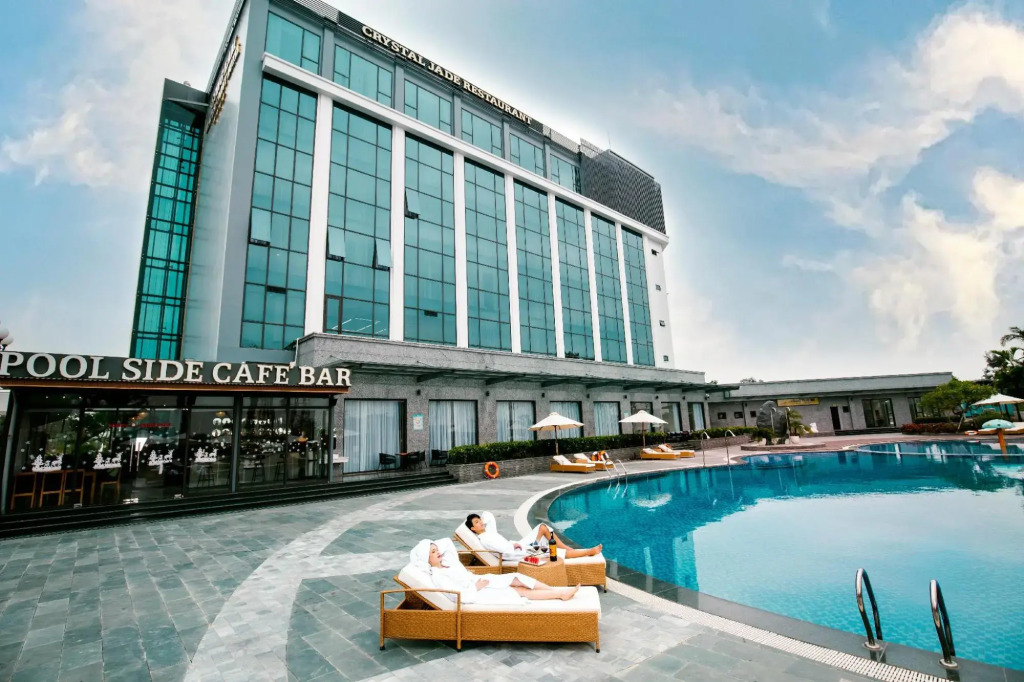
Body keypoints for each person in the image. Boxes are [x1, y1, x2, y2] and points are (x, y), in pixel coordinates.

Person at [411, 539, 578, 604]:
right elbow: (455, 596)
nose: (438, 552)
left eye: (437, 549)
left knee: (517, 577)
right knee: (517, 591)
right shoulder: (438, 576)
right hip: (476, 591)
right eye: (433, 552)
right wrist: (476, 587)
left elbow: (447, 542)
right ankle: (560, 594)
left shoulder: (448, 562)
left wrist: (431, 545)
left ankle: (554, 590)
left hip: (479, 581)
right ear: (426, 558)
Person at [465, 512, 602, 562]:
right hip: (519, 552)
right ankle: (588, 552)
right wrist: (512, 545)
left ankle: (569, 549)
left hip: (518, 546)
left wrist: (481, 519)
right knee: (553, 551)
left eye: (480, 520)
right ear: (472, 529)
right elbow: (503, 550)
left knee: (543, 528)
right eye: (477, 522)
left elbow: (488, 516)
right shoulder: (485, 538)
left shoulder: (487, 532)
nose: (481, 522)